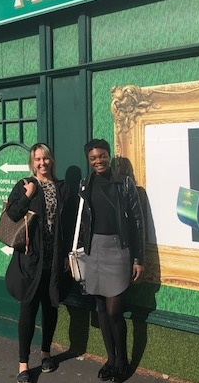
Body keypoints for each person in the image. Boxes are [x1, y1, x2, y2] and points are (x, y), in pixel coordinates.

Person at [4, 143, 74, 383]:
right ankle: (23, 364)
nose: (42, 163)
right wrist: (28, 194)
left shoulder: (61, 187)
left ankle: (46, 353)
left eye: (45, 158)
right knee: (28, 309)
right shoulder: (25, 184)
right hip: (31, 259)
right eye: (37, 160)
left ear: (51, 160)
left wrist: (65, 254)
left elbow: (67, 225)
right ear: (32, 163)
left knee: (50, 306)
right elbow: (12, 214)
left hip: (54, 260)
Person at [78, 138, 145, 383]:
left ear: (109, 156)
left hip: (118, 250)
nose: (99, 161)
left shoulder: (125, 184)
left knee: (115, 310)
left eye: (102, 156)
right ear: (89, 160)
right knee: (101, 309)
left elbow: (138, 223)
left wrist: (138, 258)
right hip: (94, 249)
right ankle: (110, 358)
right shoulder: (85, 183)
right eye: (94, 158)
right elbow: (82, 221)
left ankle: (122, 361)